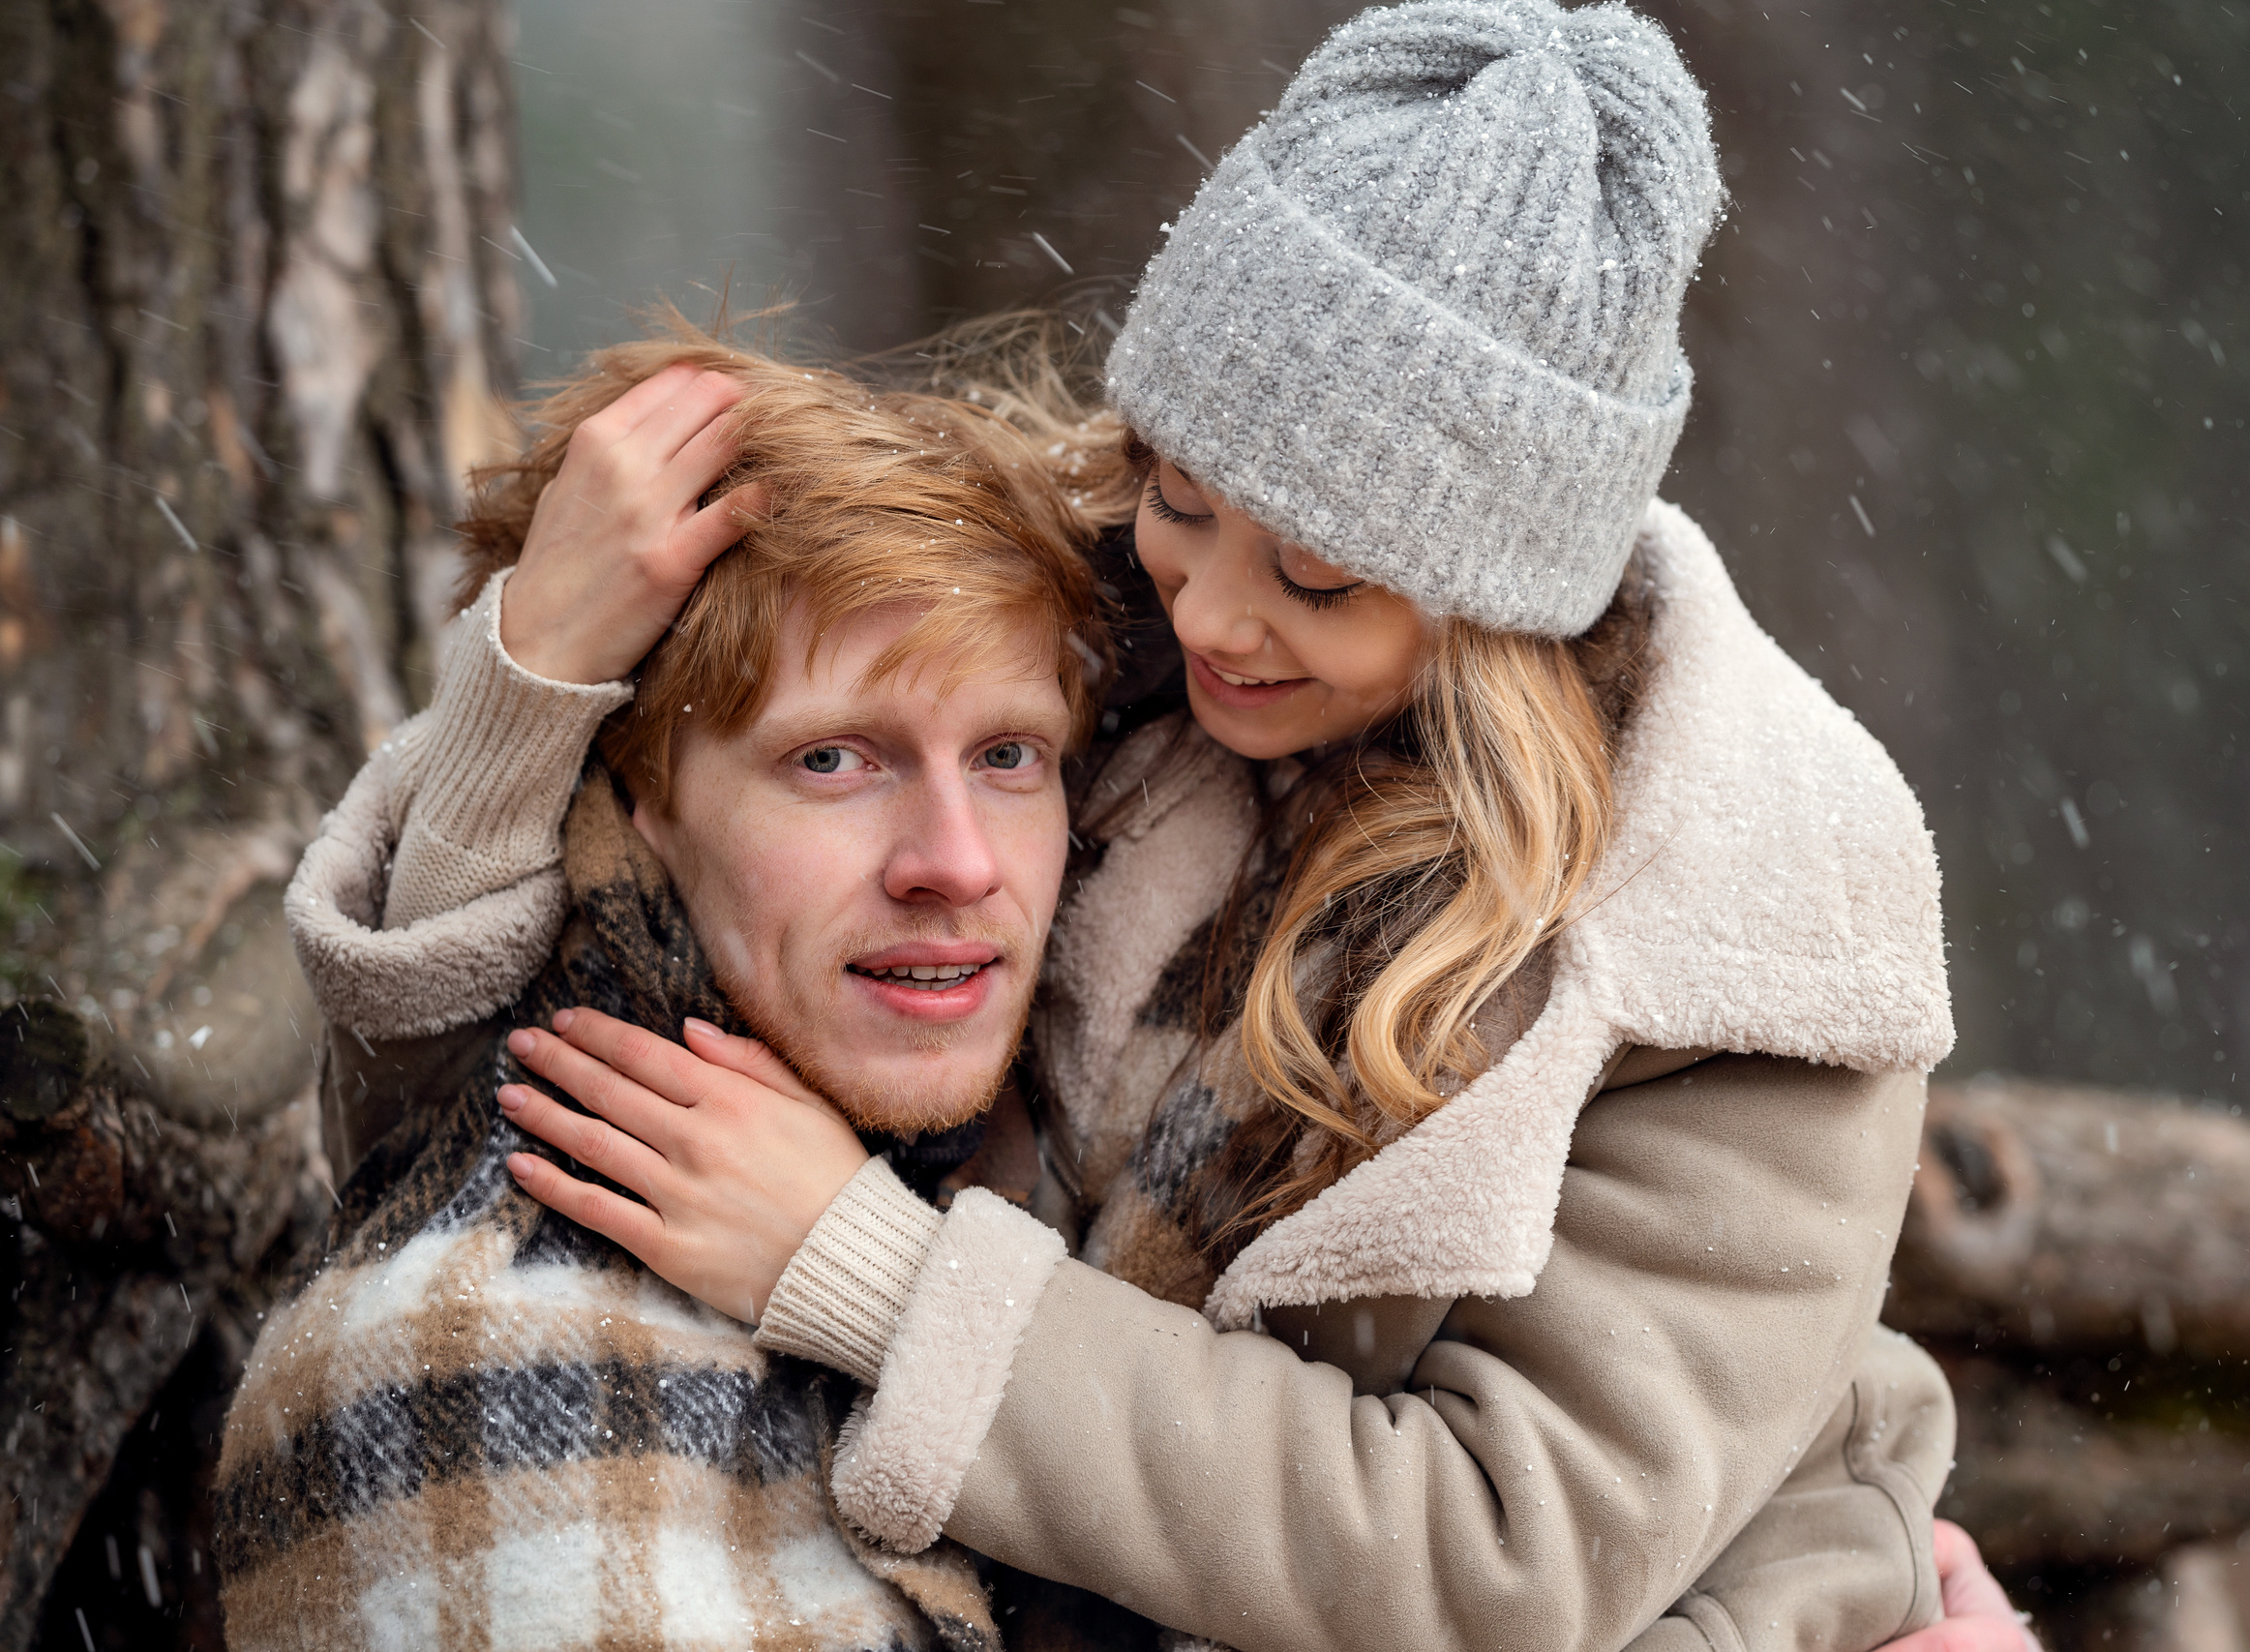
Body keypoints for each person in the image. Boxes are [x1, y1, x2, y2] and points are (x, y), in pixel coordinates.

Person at [259, 5, 2042, 1649]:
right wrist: (540, 672)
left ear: (1501, 605)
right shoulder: (1088, 637)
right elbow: (521, 1089)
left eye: (1323, 579)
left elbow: (1494, 1557)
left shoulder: (1735, 941)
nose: (1212, 619)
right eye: (1187, 500)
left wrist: (876, 1280)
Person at [212, 325, 1128, 1651]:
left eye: (1007, 755)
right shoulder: (481, 1358)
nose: (957, 864)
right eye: (832, 762)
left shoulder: (1065, 1183)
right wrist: (530, 665)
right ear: (636, 804)